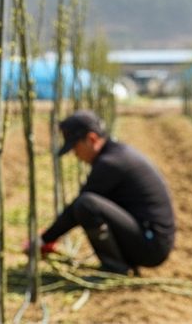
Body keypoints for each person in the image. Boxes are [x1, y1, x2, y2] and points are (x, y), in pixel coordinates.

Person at [30, 110, 175, 275]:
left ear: (91, 139)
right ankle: (121, 263)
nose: (75, 154)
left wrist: (43, 240)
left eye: (75, 146)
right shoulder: (116, 154)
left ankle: (115, 268)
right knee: (87, 204)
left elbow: (77, 209)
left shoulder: (110, 164)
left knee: (86, 204)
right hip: (149, 238)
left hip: (152, 245)